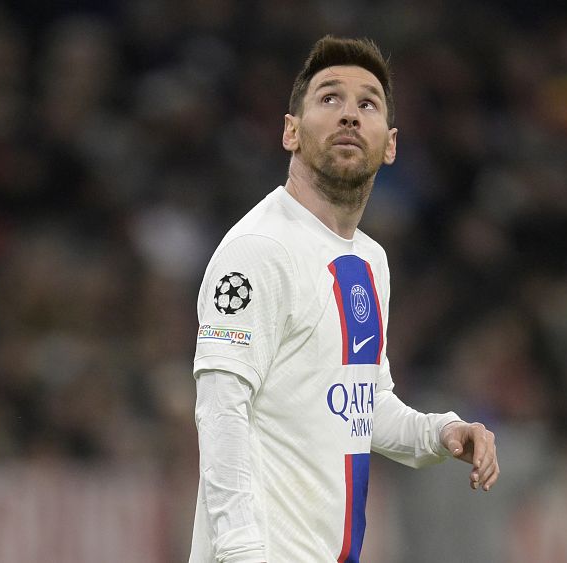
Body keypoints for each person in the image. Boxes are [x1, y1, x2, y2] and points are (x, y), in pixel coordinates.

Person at [189, 35, 500, 562]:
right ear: (291, 131)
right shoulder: (259, 250)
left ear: (391, 144)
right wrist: (242, 551)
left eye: (368, 104)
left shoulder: (369, 261)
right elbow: (221, 410)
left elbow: (360, 403)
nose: (350, 114)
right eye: (329, 98)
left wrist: (440, 431)